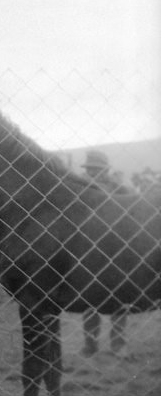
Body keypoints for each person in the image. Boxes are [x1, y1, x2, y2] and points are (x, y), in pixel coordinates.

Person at [79, 150, 131, 357]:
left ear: (106, 170)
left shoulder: (120, 189)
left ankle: (119, 345)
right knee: (89, 298)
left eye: (97, 169)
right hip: (89, 250)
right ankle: (90, 345)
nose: (93, 173)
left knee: (120, 297)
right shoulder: (80, 189)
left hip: (116, 249)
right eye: (90, 169)